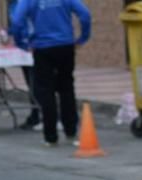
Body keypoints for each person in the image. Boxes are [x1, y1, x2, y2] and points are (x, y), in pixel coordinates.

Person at [9, 0, 91, 147]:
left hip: (42, 48)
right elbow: (85, 14)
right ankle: (71, 131)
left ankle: (50, 136)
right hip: (65, 45)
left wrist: (21, 43)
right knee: (66, 88)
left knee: (45, 91)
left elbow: (16, 21)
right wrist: (83, 37)